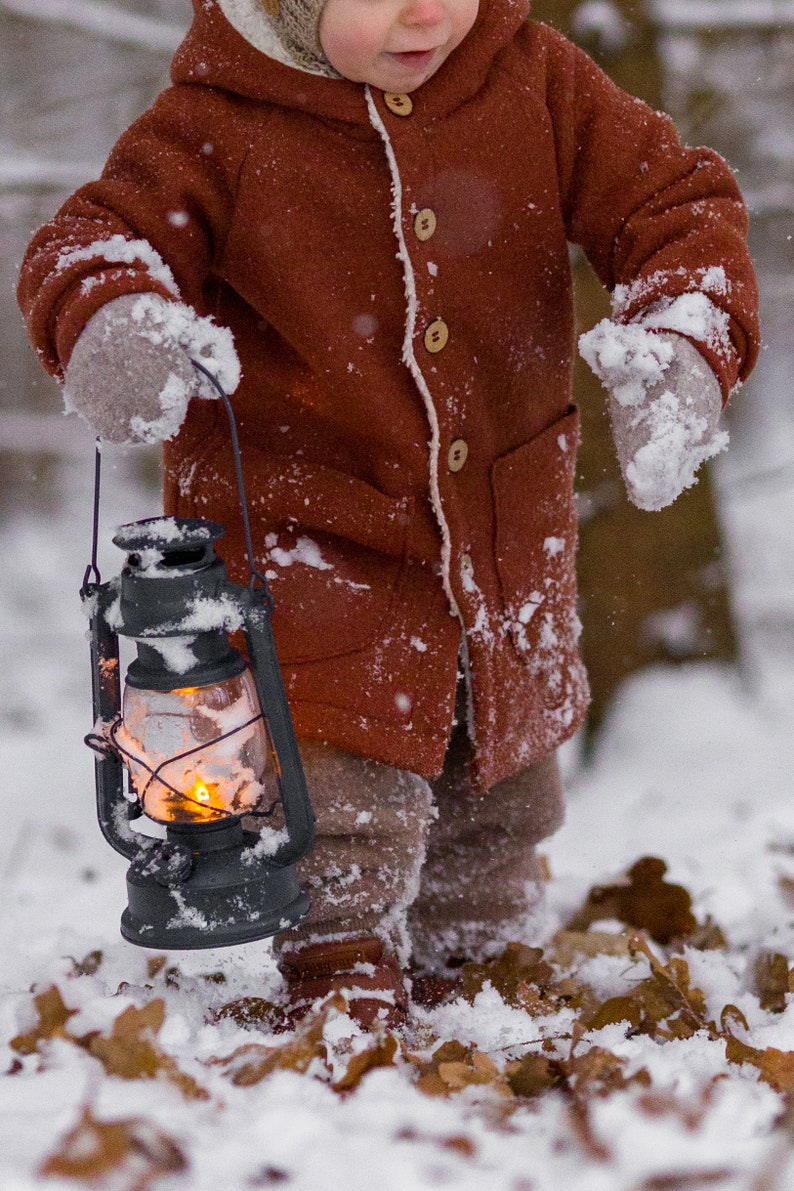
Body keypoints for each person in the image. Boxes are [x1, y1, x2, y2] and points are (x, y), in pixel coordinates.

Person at [17, 0, 759, 1028]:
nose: (426, 11)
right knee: (337, 792)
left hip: (501, 526)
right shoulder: (217, 120)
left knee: (498, 792)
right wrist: (116, 322)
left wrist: (683, 335)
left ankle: (473, 970)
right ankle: (339, 968)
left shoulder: (534, 81)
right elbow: (96, 241)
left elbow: (674, 203)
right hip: (307, 528)